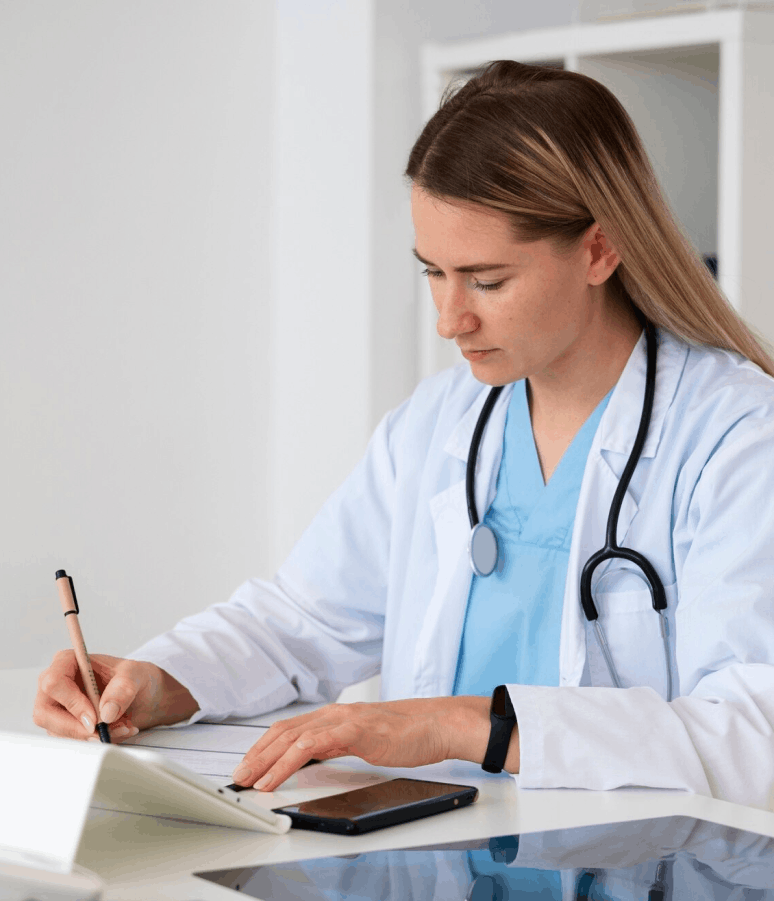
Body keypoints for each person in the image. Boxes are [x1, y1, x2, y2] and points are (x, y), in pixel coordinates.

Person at [34, 60, 774, 810]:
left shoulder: (737, 438)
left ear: (599, 249)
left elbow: (754, 735)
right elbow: (303, 619)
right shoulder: (439, 423)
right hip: (437, 857)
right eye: (433, 273)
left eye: (486, 281)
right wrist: (159, 682)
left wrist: (462, 725)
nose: (451, 319)